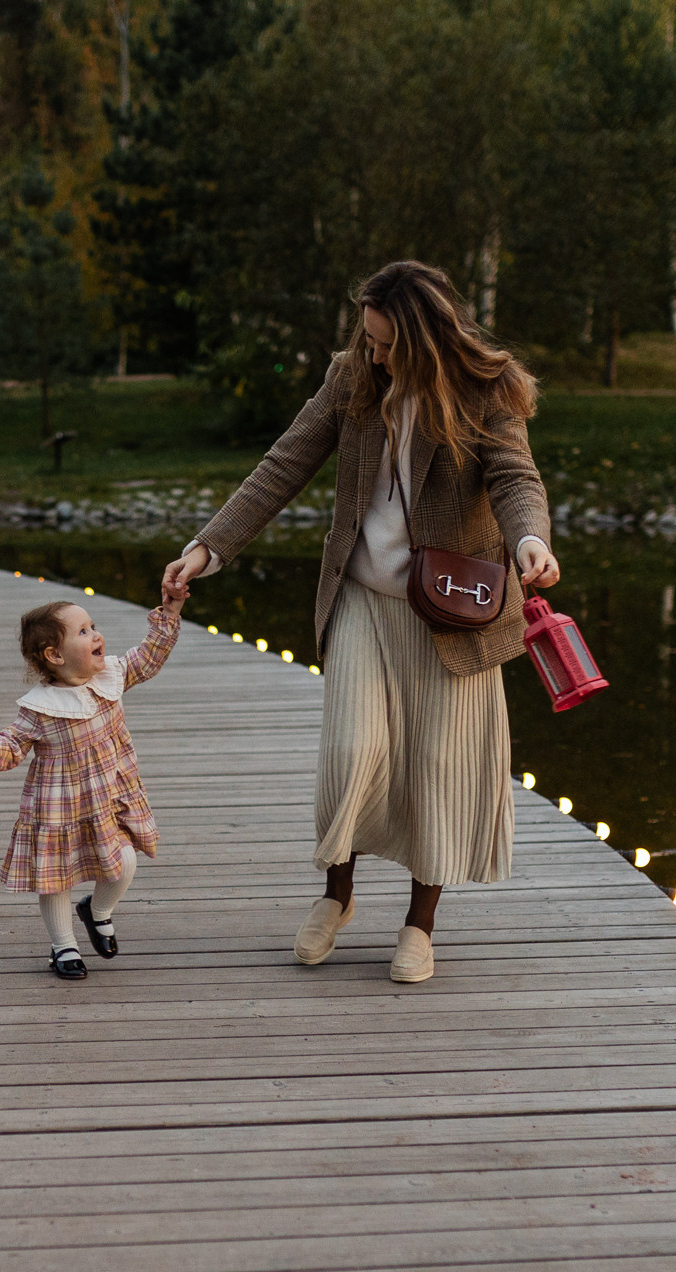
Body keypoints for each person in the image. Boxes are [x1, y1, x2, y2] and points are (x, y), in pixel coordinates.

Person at [162, 260, 558, 984]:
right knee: (351, 751)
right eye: (368, 340)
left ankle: (419, 925)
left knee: (436, 766)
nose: (373, 355)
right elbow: (283, 465)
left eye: (387, 345)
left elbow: (515, 477)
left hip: (450, 609)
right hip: (361, 600)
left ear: (424, 340)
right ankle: (336, 897)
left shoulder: (485, 389)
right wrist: (206, 549)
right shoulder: (352, 378)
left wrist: (530, 539)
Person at [0, 594, 182, 979]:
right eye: (83, 632)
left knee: (124, 862)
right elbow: (13, 743)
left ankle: (97, 910)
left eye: (93, 627)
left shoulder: (111, 676)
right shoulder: (41, 707)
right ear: (55, 655)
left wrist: (169, 615)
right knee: (56, 879)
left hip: (108, 798)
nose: (96, 635)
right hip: (58, 809)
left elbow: (148, 658)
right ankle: (64, 946)